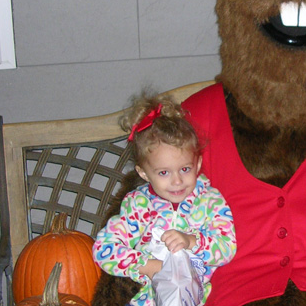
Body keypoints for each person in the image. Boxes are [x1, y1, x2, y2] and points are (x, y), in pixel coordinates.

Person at [93, 93, 237, 306]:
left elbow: (227, 246)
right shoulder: (138, 205)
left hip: (198, 297)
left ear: (197, 164)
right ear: (143, 173)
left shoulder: (210, 201)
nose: (177, 181)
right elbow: (104, 249)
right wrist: (147, 266)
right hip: (148, 299)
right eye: (163, 173)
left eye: (185, 169)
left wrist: (192, 241)